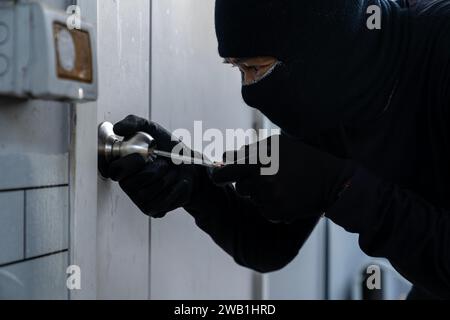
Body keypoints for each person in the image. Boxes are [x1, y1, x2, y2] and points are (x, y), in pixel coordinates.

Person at [106, 0, 450, 299]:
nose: (249, 91)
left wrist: (341, 189)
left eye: (258, 68)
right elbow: (270, 241)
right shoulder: (331, 94)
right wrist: (195, 183)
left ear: (322, 48)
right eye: (239, 69)